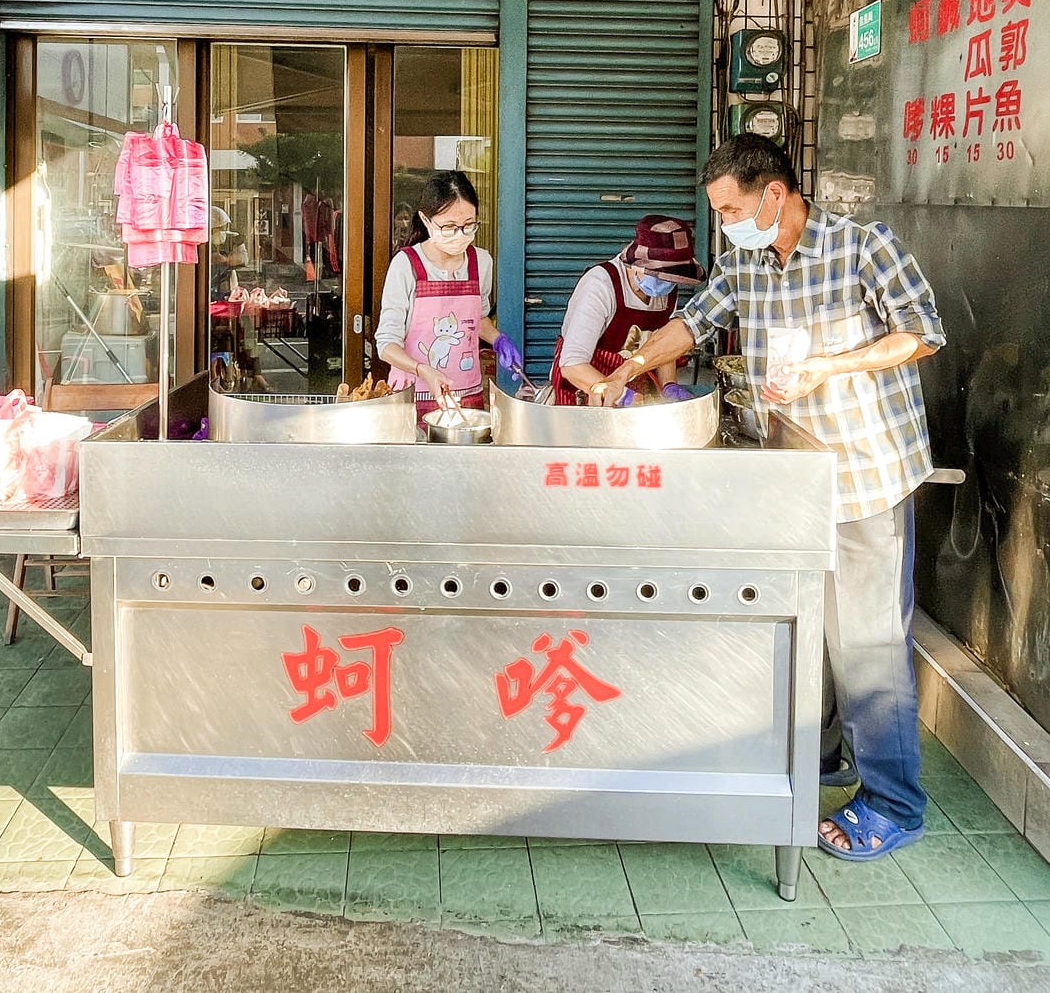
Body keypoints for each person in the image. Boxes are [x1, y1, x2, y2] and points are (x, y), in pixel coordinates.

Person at [601, 135, 945, 864]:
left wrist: (831, 366)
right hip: (791, 475)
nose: (724, 224)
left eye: (729, 209)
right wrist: (626, 369)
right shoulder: (745, 261)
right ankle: (828, 755)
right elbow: (693, 323)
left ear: (774, 195)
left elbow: (922, 334)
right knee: (810, 625)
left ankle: (895, 803)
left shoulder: (863, 247)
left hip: (863, 474)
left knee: (868, 645)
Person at [376, 170, 522, 422]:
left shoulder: (481, 262)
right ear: (426, 219)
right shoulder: (407, 265)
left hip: (467, 398)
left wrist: (498, 340)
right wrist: (423, 369)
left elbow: (477, 318)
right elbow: (386, 345)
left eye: (468, 225)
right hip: (411, 400)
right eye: (449, 226)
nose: (460, 234)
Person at [550, 215, 705, 405]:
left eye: (671, 277)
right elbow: (572, 365)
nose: (666, 282)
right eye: (658, 274)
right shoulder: (600, 285)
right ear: (637, 262)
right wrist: (624, 397)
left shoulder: (668, 287)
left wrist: (668, 386)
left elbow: (663, 343)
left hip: (635, 387)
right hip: (582, 392)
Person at [209, 206, 249, 300]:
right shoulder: (202, 240)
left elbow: (243, 259)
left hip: (226, 283)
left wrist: (227, 259)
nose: (221, 231)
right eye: (218, 228)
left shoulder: (233, 238)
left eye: (223, 228)